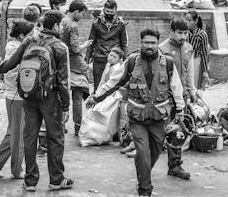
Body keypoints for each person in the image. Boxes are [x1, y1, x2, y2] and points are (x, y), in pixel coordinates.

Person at [86, 29, 185, 197]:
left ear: (157, 44)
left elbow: (176, 88)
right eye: (146, 42)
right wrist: (96, 98)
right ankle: (145, 190)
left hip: (158, 119)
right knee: (144, 154)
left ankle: (142, 178)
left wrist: (181, 110)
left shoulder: (167, 63)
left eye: (153, 43)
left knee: (152, 155)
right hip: (137, 120)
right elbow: (114, 83)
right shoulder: (131, 62)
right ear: (140, 43)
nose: (149, 46)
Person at [0, 10, 73, 192]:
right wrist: (66, 105)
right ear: (55, 26)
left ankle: (30, 180)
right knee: (55, 137)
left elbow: (11, 62)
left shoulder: (30, 40)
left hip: (29, 95)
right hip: (50, 98)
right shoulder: (61, 47)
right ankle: (56, 179)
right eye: (60, 25)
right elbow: (63, 80)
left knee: (30, 136)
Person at [0, 20, 34, 179]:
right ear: (21, 36)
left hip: (13, 95)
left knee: (13, 132)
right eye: (30, 34)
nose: (33, 36)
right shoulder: (16, 50)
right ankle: (16, 169)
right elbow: (13, 74)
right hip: (16, 96)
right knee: (18, 134)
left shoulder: (16, 48)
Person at [158, 17, 196, 181]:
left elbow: (189, 72)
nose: (182, 36)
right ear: (171, 32)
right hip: (165, 98)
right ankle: (145, 161)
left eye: (185, 33)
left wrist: (192, 90)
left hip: (182, 97)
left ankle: (175, 166)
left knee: (178, 133)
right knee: (158, 132)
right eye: (179, 33)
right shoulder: (161, 49)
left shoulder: (188, 48)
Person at [60, 0, 91, 136]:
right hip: (74, 64)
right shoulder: (73, 25)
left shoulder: (62, 21)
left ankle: (60, 125)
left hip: (61, 63)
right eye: (82, 14)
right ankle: (78, 127)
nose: (82, 17)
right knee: (77, 96)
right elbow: (75, 47)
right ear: (76, 12)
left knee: (60, 96)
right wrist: (85, 46)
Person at [87, 0, 127, 91]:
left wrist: (125, 61)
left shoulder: (121, 24)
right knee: (98, 87)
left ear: (116, 10)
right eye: (107, 11)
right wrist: (87, 59)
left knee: (112, 86)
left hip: (114, 59)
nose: (109, 14)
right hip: (99, 58)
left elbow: (124, 43)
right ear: (104, 10)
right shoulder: (96, 23)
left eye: (111, 12)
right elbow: (91, 42)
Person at [185, 10, 209, 90]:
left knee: (194, 84)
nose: (186, 22)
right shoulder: (185, 33)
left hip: (196, 61)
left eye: (189, 20)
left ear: (195, 21)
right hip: (185, 59)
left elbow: (205, 53)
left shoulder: (202, 34)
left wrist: (205, 71)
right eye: (186, 19)